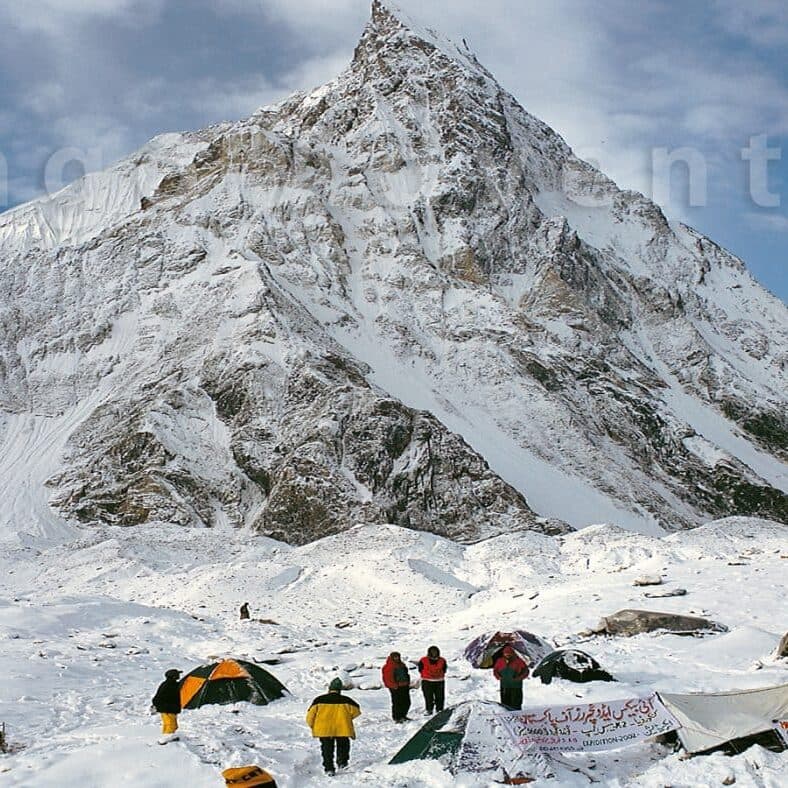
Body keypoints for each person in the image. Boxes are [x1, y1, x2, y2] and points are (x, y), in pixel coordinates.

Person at [305, 677, 361, 776]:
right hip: (343, 728)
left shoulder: (319, 700)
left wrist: (314, 726)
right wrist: (347, 718)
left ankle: (329, 768)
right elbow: (356, 711)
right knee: (343, 746)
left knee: (327, 749)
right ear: (340, 690)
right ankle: (342, 763)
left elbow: (310, 717)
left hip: (324, 730)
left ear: (329, 688)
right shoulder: (347, 700)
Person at [493, 646, 529, 710]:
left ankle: (517, 714)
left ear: (512, 653)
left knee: (516, 704)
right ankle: (506, 715)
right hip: (505, 685)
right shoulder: (500, 661)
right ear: (503, 653)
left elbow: (526, 671)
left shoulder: (518, 661)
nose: (507, 654)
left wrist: (519, 678)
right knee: (505, 704)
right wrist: (498, 676)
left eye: (509, 653)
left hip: (516, 686)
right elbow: (495, 670)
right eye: (506, 653)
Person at [152, 668, 182, 741]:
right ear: (174, 676)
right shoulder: (169, 685)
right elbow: (158, 698)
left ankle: (170, 737)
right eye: (177, 674)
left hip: (169, 708)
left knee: (172, 725)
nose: (179, 676)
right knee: (170, 724)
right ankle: (167, 739)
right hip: (168, 709)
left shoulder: (171, 684)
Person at [417, 645, 447, 715]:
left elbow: (444, 669)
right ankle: (429, 710)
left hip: (439, 681)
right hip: (427, 681)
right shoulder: (423, 660)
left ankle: (439, 710)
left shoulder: (442, 660)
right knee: (428, 697)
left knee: (440, 697)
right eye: (432, 652)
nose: (434, 653)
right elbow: (420, 669)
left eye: (435, 651)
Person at [382, 652, 411, 722]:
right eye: (395, 657)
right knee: (397, 703)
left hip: (404, 685)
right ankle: (397, 717)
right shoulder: (388, 666)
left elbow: (406, 673)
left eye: (397, 657)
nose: (396, 658)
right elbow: (387, 678)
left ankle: (403, 715)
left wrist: (407, 682)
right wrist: (393, 686)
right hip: (395, 687)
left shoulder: (402, 665)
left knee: (406, 702)